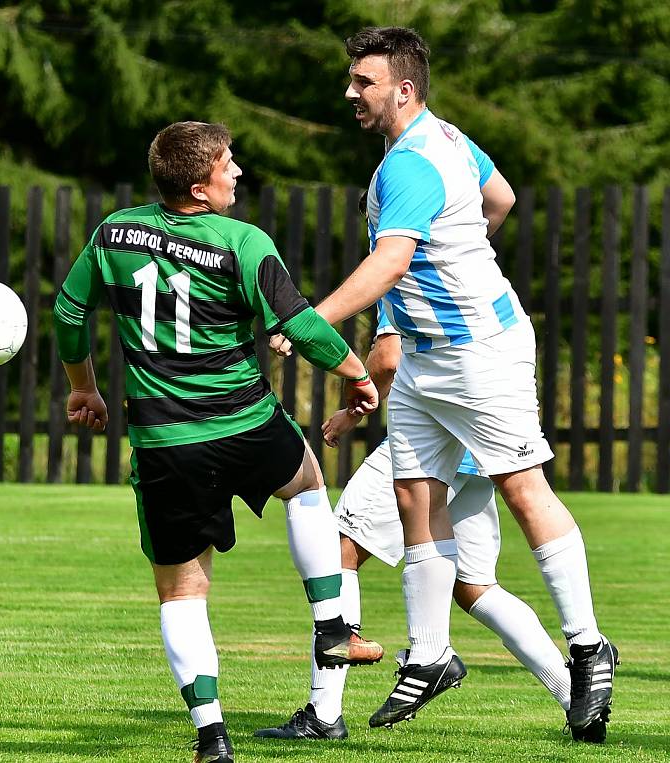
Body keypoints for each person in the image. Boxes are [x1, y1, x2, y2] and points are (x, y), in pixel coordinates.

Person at [310, 26, 617, 742]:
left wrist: (308, 318)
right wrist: (460, 252)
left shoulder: (410, 166)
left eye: (364, 81)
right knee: (416, 495)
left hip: (479, 351)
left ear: (403, 89)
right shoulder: (445, 136)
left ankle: (588, 645)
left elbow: (387, 267)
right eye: (352, 79)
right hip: (426, 358)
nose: (351, 92)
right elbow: (500, 198)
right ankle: (430, 652)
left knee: (521, 487)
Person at [52, 121, 384, 763]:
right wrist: (357, 375)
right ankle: (331, 627)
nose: (238, 172)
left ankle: (212, 737)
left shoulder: (111, 233)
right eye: (228, 164)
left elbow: (69, 313)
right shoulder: (243, 242)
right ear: (200, 189)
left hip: (165, 441)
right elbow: (303, 326)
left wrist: (83, 388)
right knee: (308, 486)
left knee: (182, 591)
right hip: (245, 422)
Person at [256, 321, 592, 742]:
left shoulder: (402, 261)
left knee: (338, 546)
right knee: (474, 587)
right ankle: (577, 698)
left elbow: (389, 356)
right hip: (478, 444)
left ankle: (324, 713)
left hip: (432, 447)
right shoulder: (468, 274)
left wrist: (351, 409)